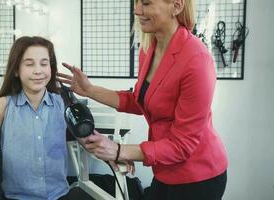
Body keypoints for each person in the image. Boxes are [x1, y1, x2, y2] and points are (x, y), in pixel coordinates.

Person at [57, 0, 228, 199]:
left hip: (198, 176)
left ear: (177, 6)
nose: (137, 10)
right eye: (136, 2)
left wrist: (120, 151)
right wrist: (90, 90)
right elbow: (140, 100)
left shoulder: (197, 58)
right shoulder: (148, 48)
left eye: (146, 3)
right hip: (165, 170)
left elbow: (182, 145)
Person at [0, 36, 70, 200]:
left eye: (44, 64)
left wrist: (114, 152)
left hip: (58, 195)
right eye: (29, 64)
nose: (38, 70)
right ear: (16, 70)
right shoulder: (4, 105)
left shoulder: (62, 102)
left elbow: (89, 140)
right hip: (16, 197)